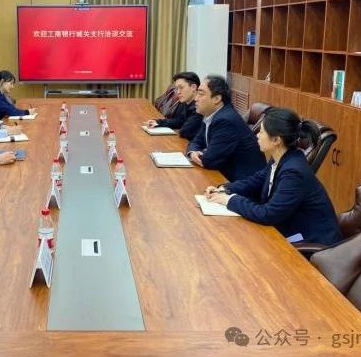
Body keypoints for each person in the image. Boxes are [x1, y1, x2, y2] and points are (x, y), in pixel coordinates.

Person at [205, 107, 342, 245]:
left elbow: (269, 214)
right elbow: (256, 180)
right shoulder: (281, 158)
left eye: (262, 132)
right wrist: (225, 189)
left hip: (310, 243)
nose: (257, 135)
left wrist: (229, 200)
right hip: (287, 230)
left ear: (277, 140)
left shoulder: (294, 172)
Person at [186, 75, 266, 181]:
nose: (196, 99)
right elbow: (196, 141)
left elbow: (209, 160)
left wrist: (199, 154)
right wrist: (192, 152)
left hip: (241, 183)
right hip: (223, 175)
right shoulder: (211, 115)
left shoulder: (226, 120)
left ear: (217, 99)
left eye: (201, 94)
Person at [146, 72, 203, 141]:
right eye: (177, 88)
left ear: (193, 87)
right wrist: (158, 122)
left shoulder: (199, 108)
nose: (178, 92)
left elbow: (185, 132)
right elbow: (178, 121)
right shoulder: (185, 101)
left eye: (181, 88)